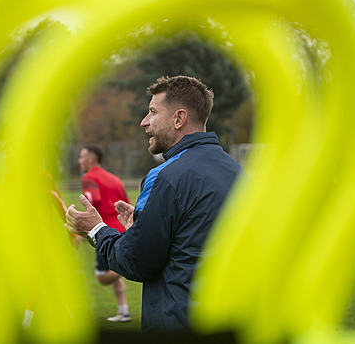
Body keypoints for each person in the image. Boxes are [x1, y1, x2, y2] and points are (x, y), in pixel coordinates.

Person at [66, 75, 243, 332]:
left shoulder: (166, 175)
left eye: (152, 111)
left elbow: (135, 261)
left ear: (179, 118)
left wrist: (95, 229)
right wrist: (143, 226)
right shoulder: (237, 171)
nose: (144, 122)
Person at [78, 145, 132, 323]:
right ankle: (123, 312)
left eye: (82, 157)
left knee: (103, 277)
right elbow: (127, 205)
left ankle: (129, 262)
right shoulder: (115, 179)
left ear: (91, 160)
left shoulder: (89, 178)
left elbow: (91, 205)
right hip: (122, 227)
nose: (79, 161)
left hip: (105, 232)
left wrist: (83, 231)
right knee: (113, 271)